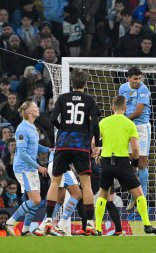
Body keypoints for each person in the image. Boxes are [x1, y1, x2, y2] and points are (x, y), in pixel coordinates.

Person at [94, 96, 156, 235]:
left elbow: (93, 144)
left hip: (107, 162)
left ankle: (98, 228)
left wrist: (98, 154)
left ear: (112, 107)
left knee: (102, 195)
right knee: (138, 194)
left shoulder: (103, 122)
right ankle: (147, 225)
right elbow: (136, 149)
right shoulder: (129, 123)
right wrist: (135, 163)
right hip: (122, 162)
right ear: (125, 108)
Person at [44, 69, 101, 235]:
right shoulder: (90, 100)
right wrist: (96, 144)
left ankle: (48, 220)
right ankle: (90, 223)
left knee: (55, 182)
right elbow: (96, 125)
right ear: (85, 83)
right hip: (80, 145)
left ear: (72, 82)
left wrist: (64, 129)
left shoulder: (63, 98)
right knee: (86, 184)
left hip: (63, 144)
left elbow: (53, 119)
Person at [1, 101, 50, 236]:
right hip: (23, 168)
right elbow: (22, 153)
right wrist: (38, 166)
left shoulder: (33, 127)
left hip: (31, 168)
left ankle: (26, 229)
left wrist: (50, 149)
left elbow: (36, 146)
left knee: (36, 200)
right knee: (36, 200)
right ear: (28, 111)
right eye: (35, 107)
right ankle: (9, 223)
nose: (38, 109)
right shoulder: (22, 129)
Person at [118, 66, 151, 209]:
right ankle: (134, 194)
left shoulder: (144, 90)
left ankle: (142, 197)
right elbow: (120, 106)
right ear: (129, 78)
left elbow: (139, 111)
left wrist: (123, 120)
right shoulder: (122, 88)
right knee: (129, 162)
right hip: (127, 127)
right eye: (135, 79)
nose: (138, 81)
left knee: (142, 162)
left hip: (141, 127)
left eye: (139, 78)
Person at [34, 151, 81, 236]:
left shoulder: (61, 139)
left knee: (59, 200)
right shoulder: (74, 139)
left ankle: (41, 227)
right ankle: (61, 225)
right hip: (63, 165)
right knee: (77, 194)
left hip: (53, 163)